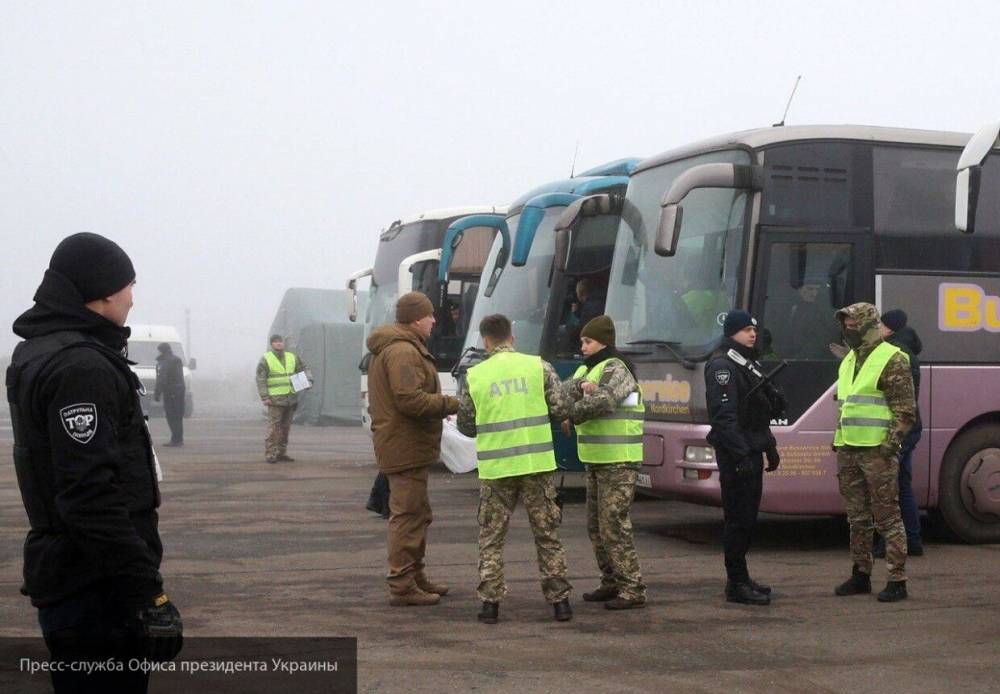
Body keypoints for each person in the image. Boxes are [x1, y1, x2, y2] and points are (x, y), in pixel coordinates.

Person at [7, 232, 182, 693]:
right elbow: (89, 495)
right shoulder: (81, 367)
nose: (132, 297)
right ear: (102, 292)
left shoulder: (39, 351)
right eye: (128, 285)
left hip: (73, 574)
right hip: (95, 587)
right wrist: (149, 593)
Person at [457, 314, 573, 624]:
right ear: (512, 337)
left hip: (497, 469)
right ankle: (560, 602)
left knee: (492, 537)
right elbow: (561, 408)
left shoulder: (475, 375)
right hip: (536, 464)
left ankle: (490, 605)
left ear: (485, 341)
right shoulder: (538, 366)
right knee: (547, 534)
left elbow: (466, 425)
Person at [367, 291, 459, 606]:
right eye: (430, 315)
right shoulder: (402, 352)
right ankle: (402, 584)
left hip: (407, 444)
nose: (435, 321)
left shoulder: (402, 348)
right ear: (416, 318)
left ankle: (415, 575)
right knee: (407, 516)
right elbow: (409, 399)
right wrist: (451, 403)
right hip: (404, 445)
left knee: (418, 514)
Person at [832, 303, 915, 603]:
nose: (848, 329)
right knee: (857, 518)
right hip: (849, 449)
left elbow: (905, 411)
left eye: (853, 324)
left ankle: (897, 579)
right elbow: (845, 406)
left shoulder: (892, 358)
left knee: (888, 517)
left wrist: (890, 445)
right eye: (846, 324)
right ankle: (861, 574)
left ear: (868, 325)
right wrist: (838, 441)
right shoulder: (848, 360)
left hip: (877, 451)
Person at [563, 315, 648, 610]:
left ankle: (632, 587)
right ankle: (611, 581)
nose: (583, 347)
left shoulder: (616, 368)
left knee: (614, 524)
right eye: (582, 342)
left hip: (619, 460)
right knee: (596, 526)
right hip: (597, 460)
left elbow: (605, 401)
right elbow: (563, 395)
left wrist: (572, 412)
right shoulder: (587, 369)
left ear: (604, 341)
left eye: (588, 341)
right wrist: (574, 395)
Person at [704, 310, 786, 606]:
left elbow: (757, 412)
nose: (752, 333)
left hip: (750, 450)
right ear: (731, 333)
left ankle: (742, 576)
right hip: (737, 454)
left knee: (748, 520)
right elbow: (724, 418)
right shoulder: (722, 366)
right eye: (745, 329)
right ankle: (735, 583)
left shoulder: (747, 363)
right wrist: (740, 455)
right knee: (738, 520)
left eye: (754, 328)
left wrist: (769, 446)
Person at [874, 309, 925, 557]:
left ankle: (887, 543)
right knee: (902, 485)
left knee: (889, 487)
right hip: (909, 427)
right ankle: (913, 540)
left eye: (881, 325)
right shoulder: (908, 352)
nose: (878, 329)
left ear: (890, 329)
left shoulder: (896, 353)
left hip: (898, 428)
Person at [256, 334, 309, 464]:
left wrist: (308, 380)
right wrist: (265, 396)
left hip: (290, 399)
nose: (279, 343)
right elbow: (260, 379)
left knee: (285, 428)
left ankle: (281, 452)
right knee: (274, 428)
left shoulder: (292, 357)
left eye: (280, 341)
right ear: (272, 344)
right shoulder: (266, 359)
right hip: (275, 400)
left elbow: (303, 369)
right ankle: (270, 453)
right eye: (276, 342)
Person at [153, 342, 186, 446]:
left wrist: (157, 393)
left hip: (170, 392)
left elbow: (162, 379)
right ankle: (178, 439)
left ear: (161, 351)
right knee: (178, 416)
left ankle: (176, 440)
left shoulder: (165, 362)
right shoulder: (176, 360)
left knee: (171, 416)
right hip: (179, 392)